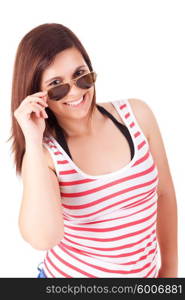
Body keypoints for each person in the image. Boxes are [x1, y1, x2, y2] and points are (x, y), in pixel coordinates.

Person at [9, 23, 178, 278]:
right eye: (57, 85)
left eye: (81, 75)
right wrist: (32, 141)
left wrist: (170, 272)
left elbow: (164, 194)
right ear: (37, 94)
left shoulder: (137, 116)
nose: (76, 91)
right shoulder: (45, 155)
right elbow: (44, 238)